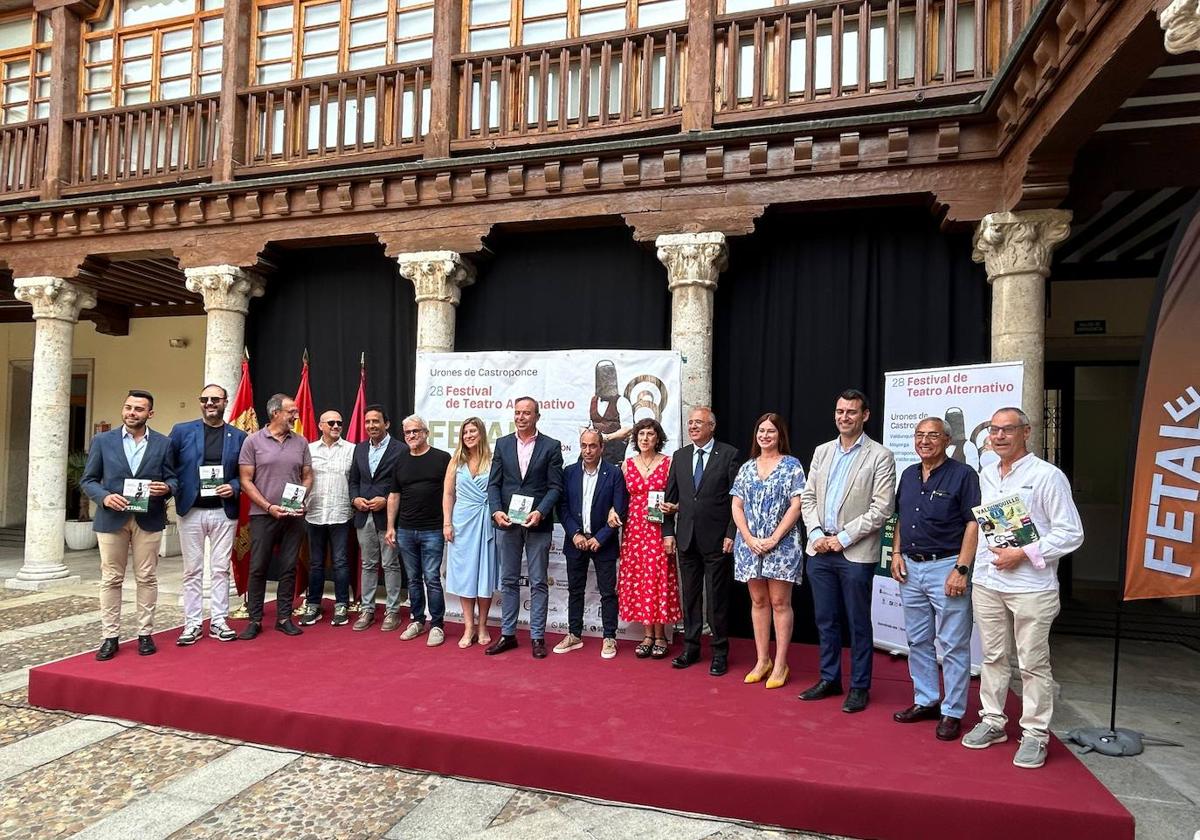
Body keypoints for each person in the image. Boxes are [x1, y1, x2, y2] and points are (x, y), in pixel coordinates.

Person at [961, 407, 1083, 769]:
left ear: (1026, 432)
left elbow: (1071, 533)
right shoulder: (985, 475)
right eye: (993, 430)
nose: (998, 436)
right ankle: (993, 721)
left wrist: (1024, 554)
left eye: (1006, 430)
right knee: (993, 658)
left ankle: (1035, 735)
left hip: (1032, 586)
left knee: (1032, 664)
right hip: (988, 581)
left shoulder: (1047, 476)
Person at [799, 389, 896, 712]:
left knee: (858, 623)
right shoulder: (822, 451)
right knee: (825, 620)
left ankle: (859, 686)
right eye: (840, 411)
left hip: (854, 552)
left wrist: (841, 538)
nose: (844, 417)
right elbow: (808, 497)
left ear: (865, 415)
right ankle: (829, 679)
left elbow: (882, 508)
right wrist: (815, 533)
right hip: (819, 549)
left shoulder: (880, 455)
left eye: (851, 412)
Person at [889, 416, 981, 741]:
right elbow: (901, 517)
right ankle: (926, 700)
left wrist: (962, 568)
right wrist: (896, 554)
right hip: (910, 568)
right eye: (919, 435)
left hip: (947, 568)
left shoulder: (963, 475)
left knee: (954, 644)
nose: (925, 441)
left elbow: (973, 523)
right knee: (917, 641)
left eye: (932, 435)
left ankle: (953, 711)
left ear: (946, 440)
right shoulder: (909, 475)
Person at [81, 390, 178, 660]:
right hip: (112, 517)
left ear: (150, 414)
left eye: (138, 409)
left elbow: (174, 480)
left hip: (148, 517)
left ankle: (145, 634)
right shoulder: (103, 441)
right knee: (111, 578)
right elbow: (88, 480)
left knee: (147, 577)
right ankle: (110, 636)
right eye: (128, 407)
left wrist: (166, 488)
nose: (131, 413)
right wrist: (104, 497)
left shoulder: (163, 443)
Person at [662, 406, 740, 676]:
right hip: (686, 539)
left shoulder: (729, 455)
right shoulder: (680, 456)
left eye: (699, 422)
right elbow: (669, 500)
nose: (693, 427)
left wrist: (732, 533)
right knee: (691, 597)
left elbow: (736, 501)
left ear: (712, 426)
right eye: (690, 423)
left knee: (716, 599)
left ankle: (720, 652)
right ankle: (691, 647)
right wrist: (668, 532)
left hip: (717, 541)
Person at [730, 413, 805, 689]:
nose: (765, 435)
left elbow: (797, 505)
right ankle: (763, 660)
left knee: (780, 603)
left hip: (781, 545)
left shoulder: (792, 466)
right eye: (761, 430)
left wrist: (774, 538)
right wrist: (749, 537)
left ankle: (781, 663)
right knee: (758, 602)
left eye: (770, 431)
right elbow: (736, 505)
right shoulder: (747, 467)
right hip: (750, 545)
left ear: (779, 435)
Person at [485, 397, 564, 658]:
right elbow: (494, 484)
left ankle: (537, 637)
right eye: (517, 413)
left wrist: (541, 512)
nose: (521, 417)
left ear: (537, 417)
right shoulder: (503, 444)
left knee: (539, 581)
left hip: (537, 523)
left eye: (526, 413)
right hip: (506, 523)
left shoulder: (551, 447)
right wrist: (496, 510)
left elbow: (556, 487)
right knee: (508, 580)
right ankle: (508, 635)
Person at [168, 384, 247, 645]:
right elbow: (169, 468)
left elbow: (244, 475)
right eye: (205, 399)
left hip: (224, 512)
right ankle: (191, 624)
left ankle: (219, 621)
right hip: (191, 510)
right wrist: (173, 490)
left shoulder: (238, 436)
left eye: (215, 399)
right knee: (192, 570)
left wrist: (233, 487)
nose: (210, 403)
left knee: (221, 569)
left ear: (225, 402)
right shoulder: (181, 431)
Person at [237, 393, 313, 639]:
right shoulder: (253, 441)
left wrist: (301, 498)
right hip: (262, 515)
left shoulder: (300, 442)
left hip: (293, 516)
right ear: (275, 413)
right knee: (258, 567)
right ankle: (255, 620)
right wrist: (269, 506)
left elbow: (308, 475)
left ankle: (283, 618)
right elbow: (246, 480)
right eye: (291, 411)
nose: (296, 415)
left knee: (289, 568)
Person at [556, 427, 629, 658]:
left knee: (608, 592)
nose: (588, 450)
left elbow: (620, 510)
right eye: (584, 446)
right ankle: (574, 634)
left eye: (593, 446)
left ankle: (609, 637)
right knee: (575, 590)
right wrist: (575, 534)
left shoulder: (614, 473)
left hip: (603, 542)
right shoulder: (569, 472)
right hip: (575, 541)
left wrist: (601, 537)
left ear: (602, 448)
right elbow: (563, 507)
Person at [385, 415, 452, 646]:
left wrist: (447, 523)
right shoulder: (400, 460)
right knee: (413, 579)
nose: (411, 436)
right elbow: (394, 495)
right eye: (407, 433)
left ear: (426, 432)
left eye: (415, 431)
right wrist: (391, 526)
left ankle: (437, 625)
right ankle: (416, 620)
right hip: (405, 530)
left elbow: (450, 494)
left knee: (432, 578)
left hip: (433, 529)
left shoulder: (442, 458)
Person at [615, 418, 678, 660]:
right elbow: (619, 498)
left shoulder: (669, 463)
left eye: (650, 434)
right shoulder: (627, 465)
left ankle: (661, 635)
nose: (645, 438)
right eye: (641, 434)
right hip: (633, 532)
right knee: (640, 579)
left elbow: (677, 497)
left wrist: (673, 516)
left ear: (658, 438)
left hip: (658, 530)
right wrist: (613, 510)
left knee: (657, 579)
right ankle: (647, 635)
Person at [349, 404, 407, 630]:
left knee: (391, 564)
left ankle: (393, 611)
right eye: (367, 422)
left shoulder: (400, 449)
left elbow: (403, 484)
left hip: (388, 516)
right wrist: (355, 499)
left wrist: (386, 498)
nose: (371, 425)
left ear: (387, 424)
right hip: (364, 517)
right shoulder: (360, 449)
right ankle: (368, 611)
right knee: (368, 564)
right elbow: (354, 480)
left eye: (375, 421)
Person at [442, 417, 498, 648]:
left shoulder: (493, 460)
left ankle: (483, 625)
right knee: (465, 576)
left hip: (486, 523)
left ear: (481, 433)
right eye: (465, 432)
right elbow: (448, 494)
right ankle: (468, 627)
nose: (468, 435)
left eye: (473, 431)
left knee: (484, 575)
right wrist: (447, 523)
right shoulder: (456, 460)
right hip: (462, 522)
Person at [300, 409, 355, 626]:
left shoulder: (351, 450)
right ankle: (313, 604)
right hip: (314, 512)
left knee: (341, 562)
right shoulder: (308, 449)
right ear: (320, 425)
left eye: (339, 423)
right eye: (331, 422)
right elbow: (300, 477)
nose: (335, 426)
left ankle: (342, 604)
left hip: (340, 513)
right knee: (315, 563)